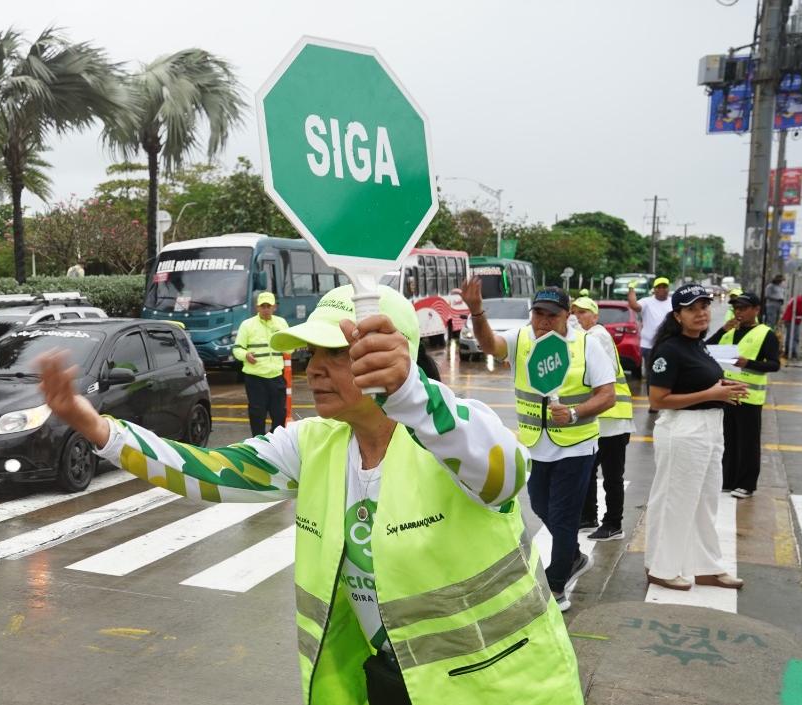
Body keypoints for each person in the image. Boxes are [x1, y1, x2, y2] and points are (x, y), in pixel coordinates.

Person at [37, 285, 582, 705]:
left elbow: (505, 470)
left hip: (495, 687)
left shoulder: (456, 434)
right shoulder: (316, 442)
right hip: (388, 680)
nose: (313, 368)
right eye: (307, 353)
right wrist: (98, 428)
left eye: (334, 354)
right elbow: (209, 470)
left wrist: (413, 395)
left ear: (391, 355)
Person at [465, 280, 616, 611]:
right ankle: (573, 556)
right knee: (539, 504)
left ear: (566, 316)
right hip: (536, 443)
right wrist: (477, 311)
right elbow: (489, 345)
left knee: (563, 516)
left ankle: (558, 583)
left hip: (576, 446)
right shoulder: (521, 340)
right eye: (538, 313)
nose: (543, 320)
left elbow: (608, 395)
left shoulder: (586, 345)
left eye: (552, 314)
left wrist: (575, 412)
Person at [644, 283, 750, 591]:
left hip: (710, 427)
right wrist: (712, 392)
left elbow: (698, 380)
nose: (701, 313)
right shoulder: (669, 349)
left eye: (704, 306)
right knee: (675, 500)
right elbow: (657, 400)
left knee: (705, 501)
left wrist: (724, 387)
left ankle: (705, 567)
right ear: (677, 315)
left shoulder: (698, 345)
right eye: (692, 308)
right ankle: (661, 568)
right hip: (683, 430)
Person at [571, 297, 634, 541]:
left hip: (614, 418)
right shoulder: (585, 337)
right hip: (598, 420)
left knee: (612, 476)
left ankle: (613, 523)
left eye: (583, 313)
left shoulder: (597, 336)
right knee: (588, 471)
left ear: (595, 317)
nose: (577, 317)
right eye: (574, 312)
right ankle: (588, 516)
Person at [708, 292, 780, 499]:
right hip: (726, 394)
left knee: (748, 442)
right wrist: (723, 329)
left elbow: (774, 365)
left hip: (749, 396)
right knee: (728, 440)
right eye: (736, 308)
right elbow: (706, 349)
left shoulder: (765, 333)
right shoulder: (730, 331)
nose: (738, 312)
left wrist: (748, 363)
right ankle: (728, 480)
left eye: (743, 308)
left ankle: (747, 484)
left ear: (756, 310)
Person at [232, 291, 291, 435]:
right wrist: (246, 355)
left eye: (268, 306)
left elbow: (291, 347)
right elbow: (237, 349)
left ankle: (275, 443)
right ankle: (257, 443)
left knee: (279, 414)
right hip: (255, 379)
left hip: (276, 376)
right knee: (257, 415)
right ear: (257, 307)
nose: (266, 309)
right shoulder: (247, 325)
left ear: (274, 307)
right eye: (262, 306)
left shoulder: (281, 323)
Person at [628, 276, 672, 366]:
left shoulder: (673, 302)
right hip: (649, 346)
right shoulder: (647, 302)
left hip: (668, 345)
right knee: (651, 373)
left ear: (668, 289)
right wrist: (631, 288)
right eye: (659, 287)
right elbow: (634, 305)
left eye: (664, 287)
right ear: (654, 289)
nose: (661, 289)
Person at [781, 289, 802, 359]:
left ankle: (788, 352)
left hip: (788, 319)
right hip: (792, 320)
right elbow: (799, 312)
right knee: (794, 337)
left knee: (790, 336)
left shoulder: (796, 298)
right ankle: (792, 352)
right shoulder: (800, 300)